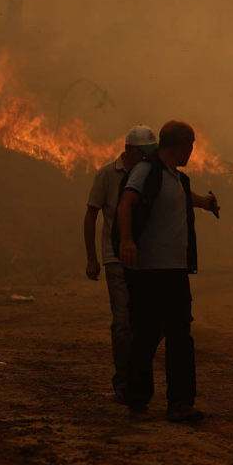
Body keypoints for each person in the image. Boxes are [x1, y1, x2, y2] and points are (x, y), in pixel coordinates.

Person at [116, 120, 219, 424]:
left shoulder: (177, 179)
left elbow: (185, 199)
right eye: (192, 145)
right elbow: (126, 204)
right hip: (148, 271)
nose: (193, 150)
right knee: (145, 336)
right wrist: (127, 240)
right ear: (182, 143)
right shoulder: (146, 171)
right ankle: (137, 401)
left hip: (176, 271)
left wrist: (206, 202)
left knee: (180, 336)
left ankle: (180, 404)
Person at [84, 124, 159, 405]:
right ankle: (123, 381)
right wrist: (92, 258)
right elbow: (91, 216)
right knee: (123, 323)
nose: (148, 158)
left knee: (149, 321)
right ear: (129, 150)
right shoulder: (107, 174)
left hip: (146, 260)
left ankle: (136, 376)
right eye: (144, 152)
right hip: (115, 259)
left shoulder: (152, 174)